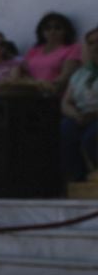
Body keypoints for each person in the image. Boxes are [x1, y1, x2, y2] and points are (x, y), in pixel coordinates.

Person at [60, 26, 98, 184]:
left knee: (91, 137)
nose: (95, 46)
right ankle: (78, 180)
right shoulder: (80, 74)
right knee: (65, 130)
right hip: (82, 115)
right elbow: (66, 102)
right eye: (91, 43)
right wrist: (76, 115)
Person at [22, 11, 82, 90]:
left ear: (66, 31)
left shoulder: (73, 48)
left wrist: (47, 87)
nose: (52, 31)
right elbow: (23, 71)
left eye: (58, 28)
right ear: (42, 32)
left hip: (54, 92)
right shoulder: (34, 51)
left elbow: (66, 75)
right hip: (31, 91)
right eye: (48, 28)